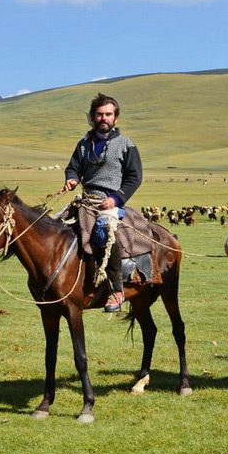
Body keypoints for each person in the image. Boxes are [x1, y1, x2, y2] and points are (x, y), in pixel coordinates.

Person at [63, 93, 142, 312]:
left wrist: (116, 198)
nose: (103, 118)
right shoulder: (83, 144)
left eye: (108, 114)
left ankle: (116, 290)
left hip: (111, 201)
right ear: (92, 117)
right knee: (54, 228)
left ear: (115, 118)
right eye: (99, 114)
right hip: (86, 199)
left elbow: (135, 177)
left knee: (102, 232)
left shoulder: (126, 145)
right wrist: (71, 178)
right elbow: (73, 167)